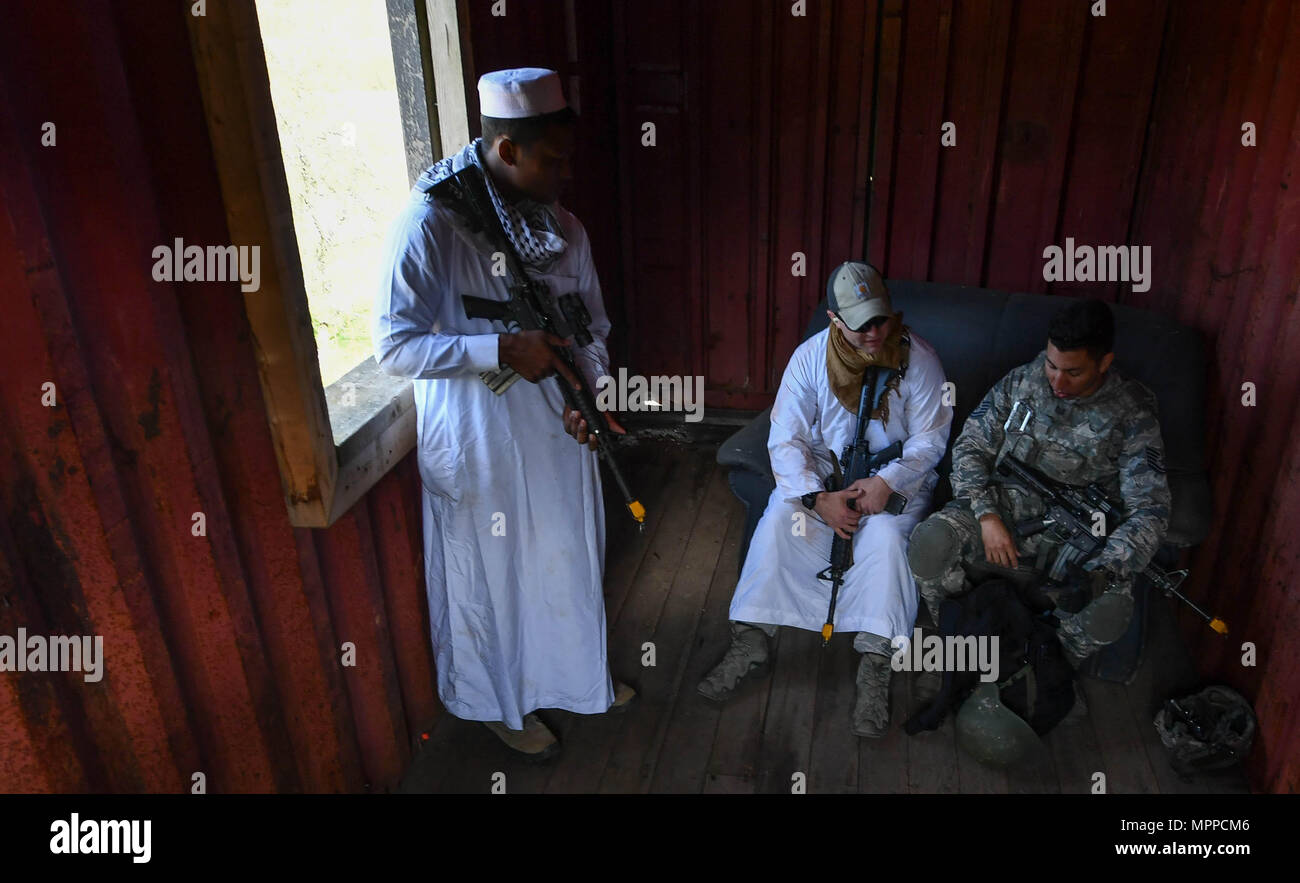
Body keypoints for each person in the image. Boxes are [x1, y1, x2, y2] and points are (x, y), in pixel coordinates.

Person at [373, 68, 633, 762]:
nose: (566, 172)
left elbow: (592, 328)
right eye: (553, 157)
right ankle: (496, 703)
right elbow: (393, 345)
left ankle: (575, 677)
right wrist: (500, 347)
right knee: (490, 574)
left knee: (562, 557)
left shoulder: (564, 229)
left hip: (555, 428)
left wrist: (592, 391)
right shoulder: (431, 224)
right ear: (508, 150)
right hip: (477, 437)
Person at [697, 262, 952, 737]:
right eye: (861, 325)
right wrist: (817, 499)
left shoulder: (921, 361)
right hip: (825, 481)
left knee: (890, 542)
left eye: (880, 319)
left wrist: (888, 481)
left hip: (890, 485)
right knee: (779, 523)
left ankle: (874, 663)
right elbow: (785, 438)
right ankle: (751, 641)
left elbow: (930, 440)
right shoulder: (810, 359)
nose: (875, 332)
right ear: (836, 320)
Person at [907, 298, 1171, 668]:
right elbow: (971, 446)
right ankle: (957, 640)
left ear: (1105, 363)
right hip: (1000, 509)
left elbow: (1151, 510)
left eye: (1074, 373)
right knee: (929, 545)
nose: (1057, 382)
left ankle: (1046, 669)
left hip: (1080, 539)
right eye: (1051, 365)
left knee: (1108, 610)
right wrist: (986, 515)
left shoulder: (1133, 415)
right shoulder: (1022, 381)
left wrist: (1105, 570)